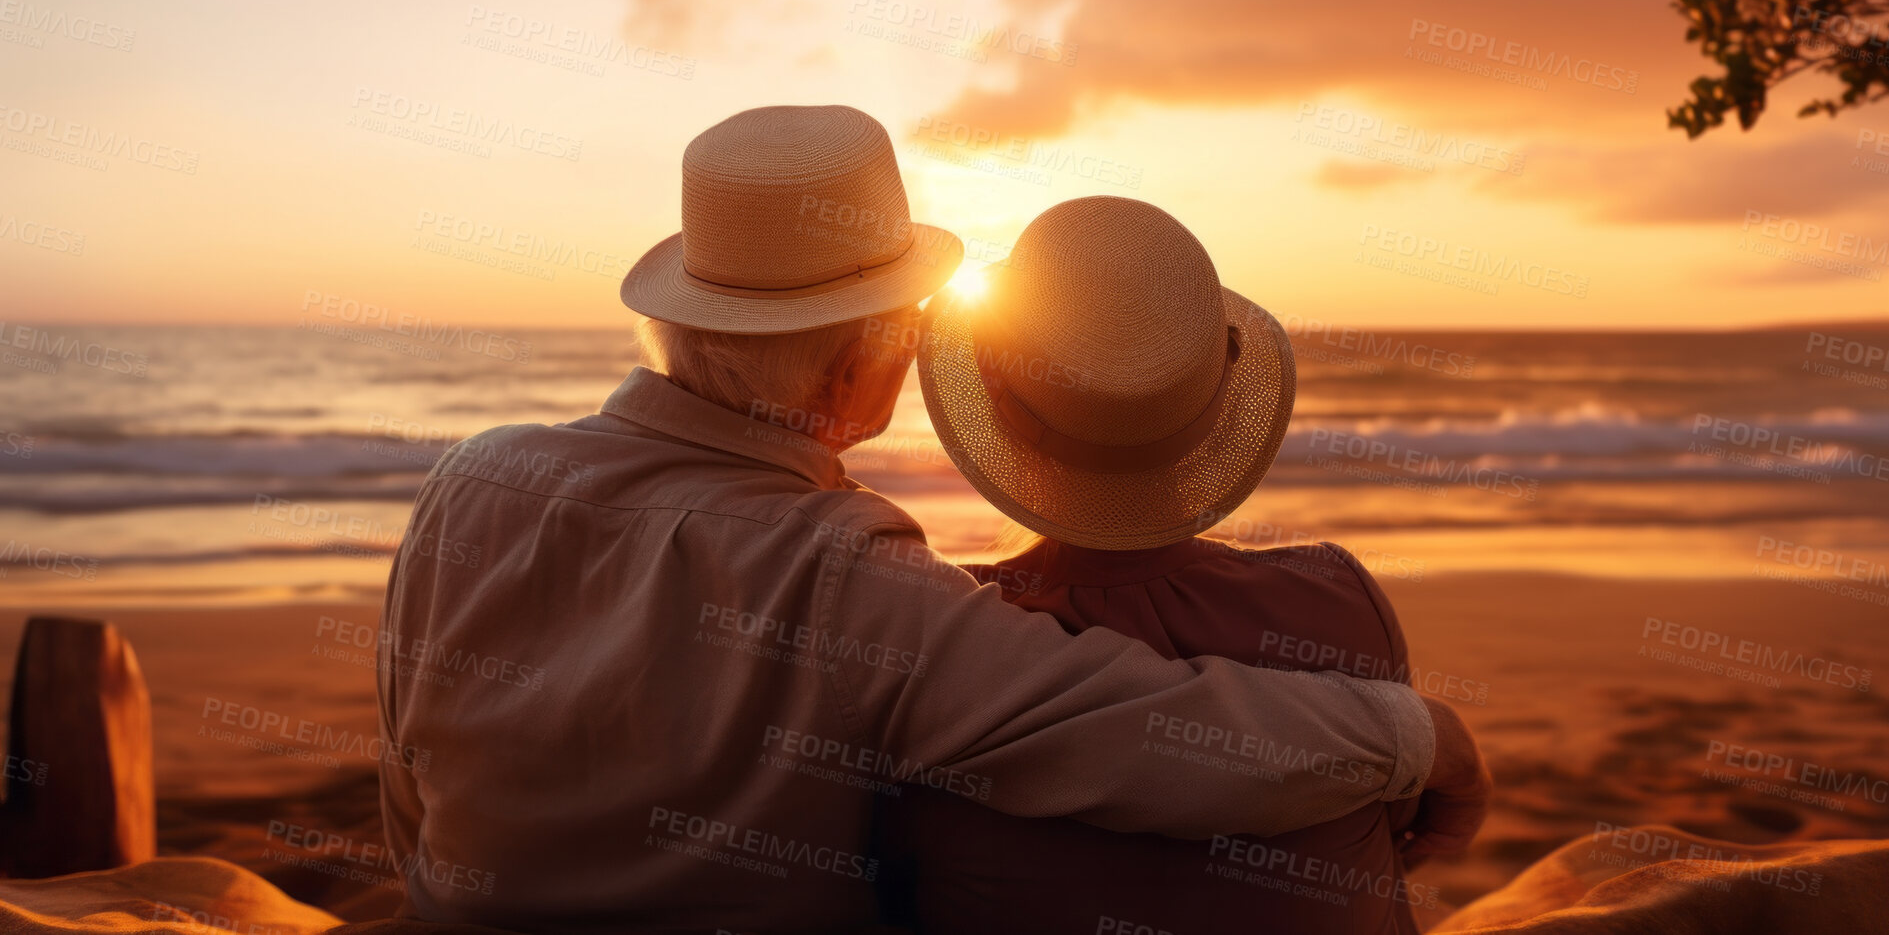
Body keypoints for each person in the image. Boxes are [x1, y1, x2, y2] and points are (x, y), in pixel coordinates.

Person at [375, 106, 1489, 933]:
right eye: (904, 330)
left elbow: (411, 795)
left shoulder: (473, 482)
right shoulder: (844, 568)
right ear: (854, 368)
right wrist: (1416, 737)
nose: (911, 353)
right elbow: (1144, 735)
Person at [879, 195, 1457, 933]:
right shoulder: (1336, 600)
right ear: (1214, 401)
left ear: (995, 400)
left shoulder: (935, 635)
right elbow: (1398, 818)